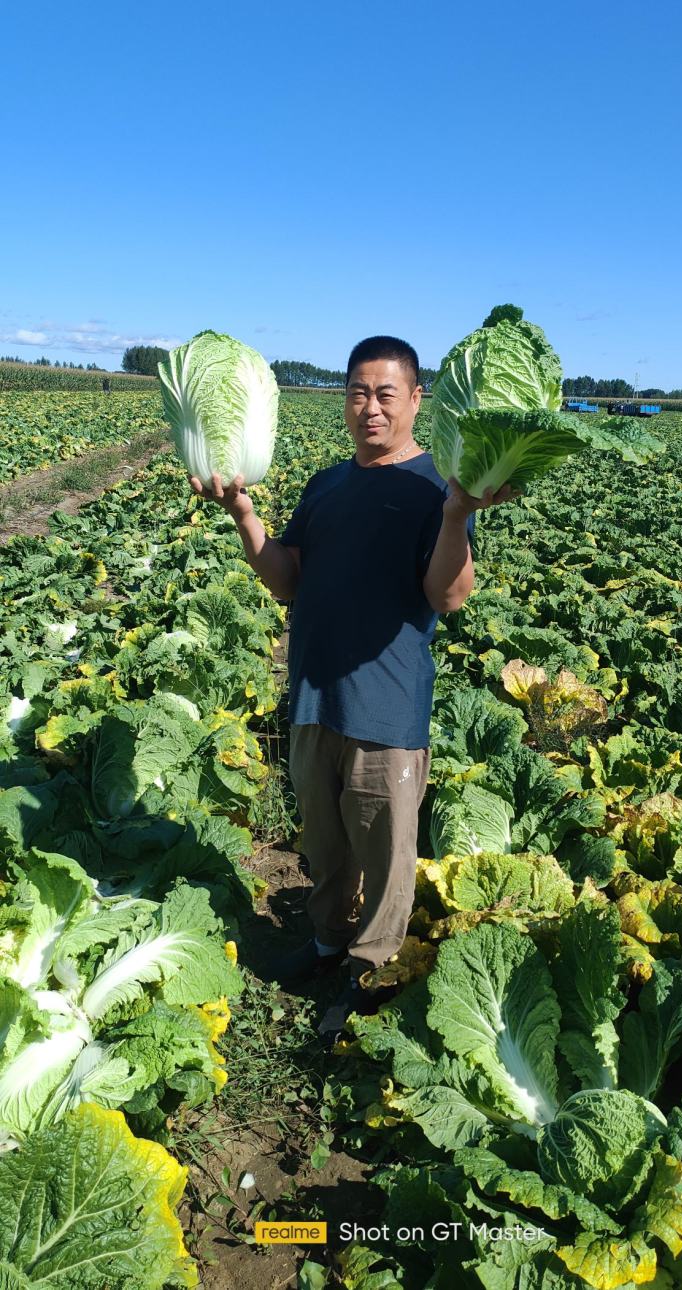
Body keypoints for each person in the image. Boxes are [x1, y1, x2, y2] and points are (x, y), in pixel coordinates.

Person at [189, 335, 515, 1039]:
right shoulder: (327, 485)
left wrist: (458, 516)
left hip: (386, 708)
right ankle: (329, 942)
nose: (370, 407)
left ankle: (371, 972)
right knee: (325, 841)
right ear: (346, 400)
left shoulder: (437, 488)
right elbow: (287, 580)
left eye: (386, 393)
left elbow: (449, 597)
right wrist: (245, 517)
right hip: (312, 697)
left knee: (385, 851)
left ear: (416, 400)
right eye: (359, 393)